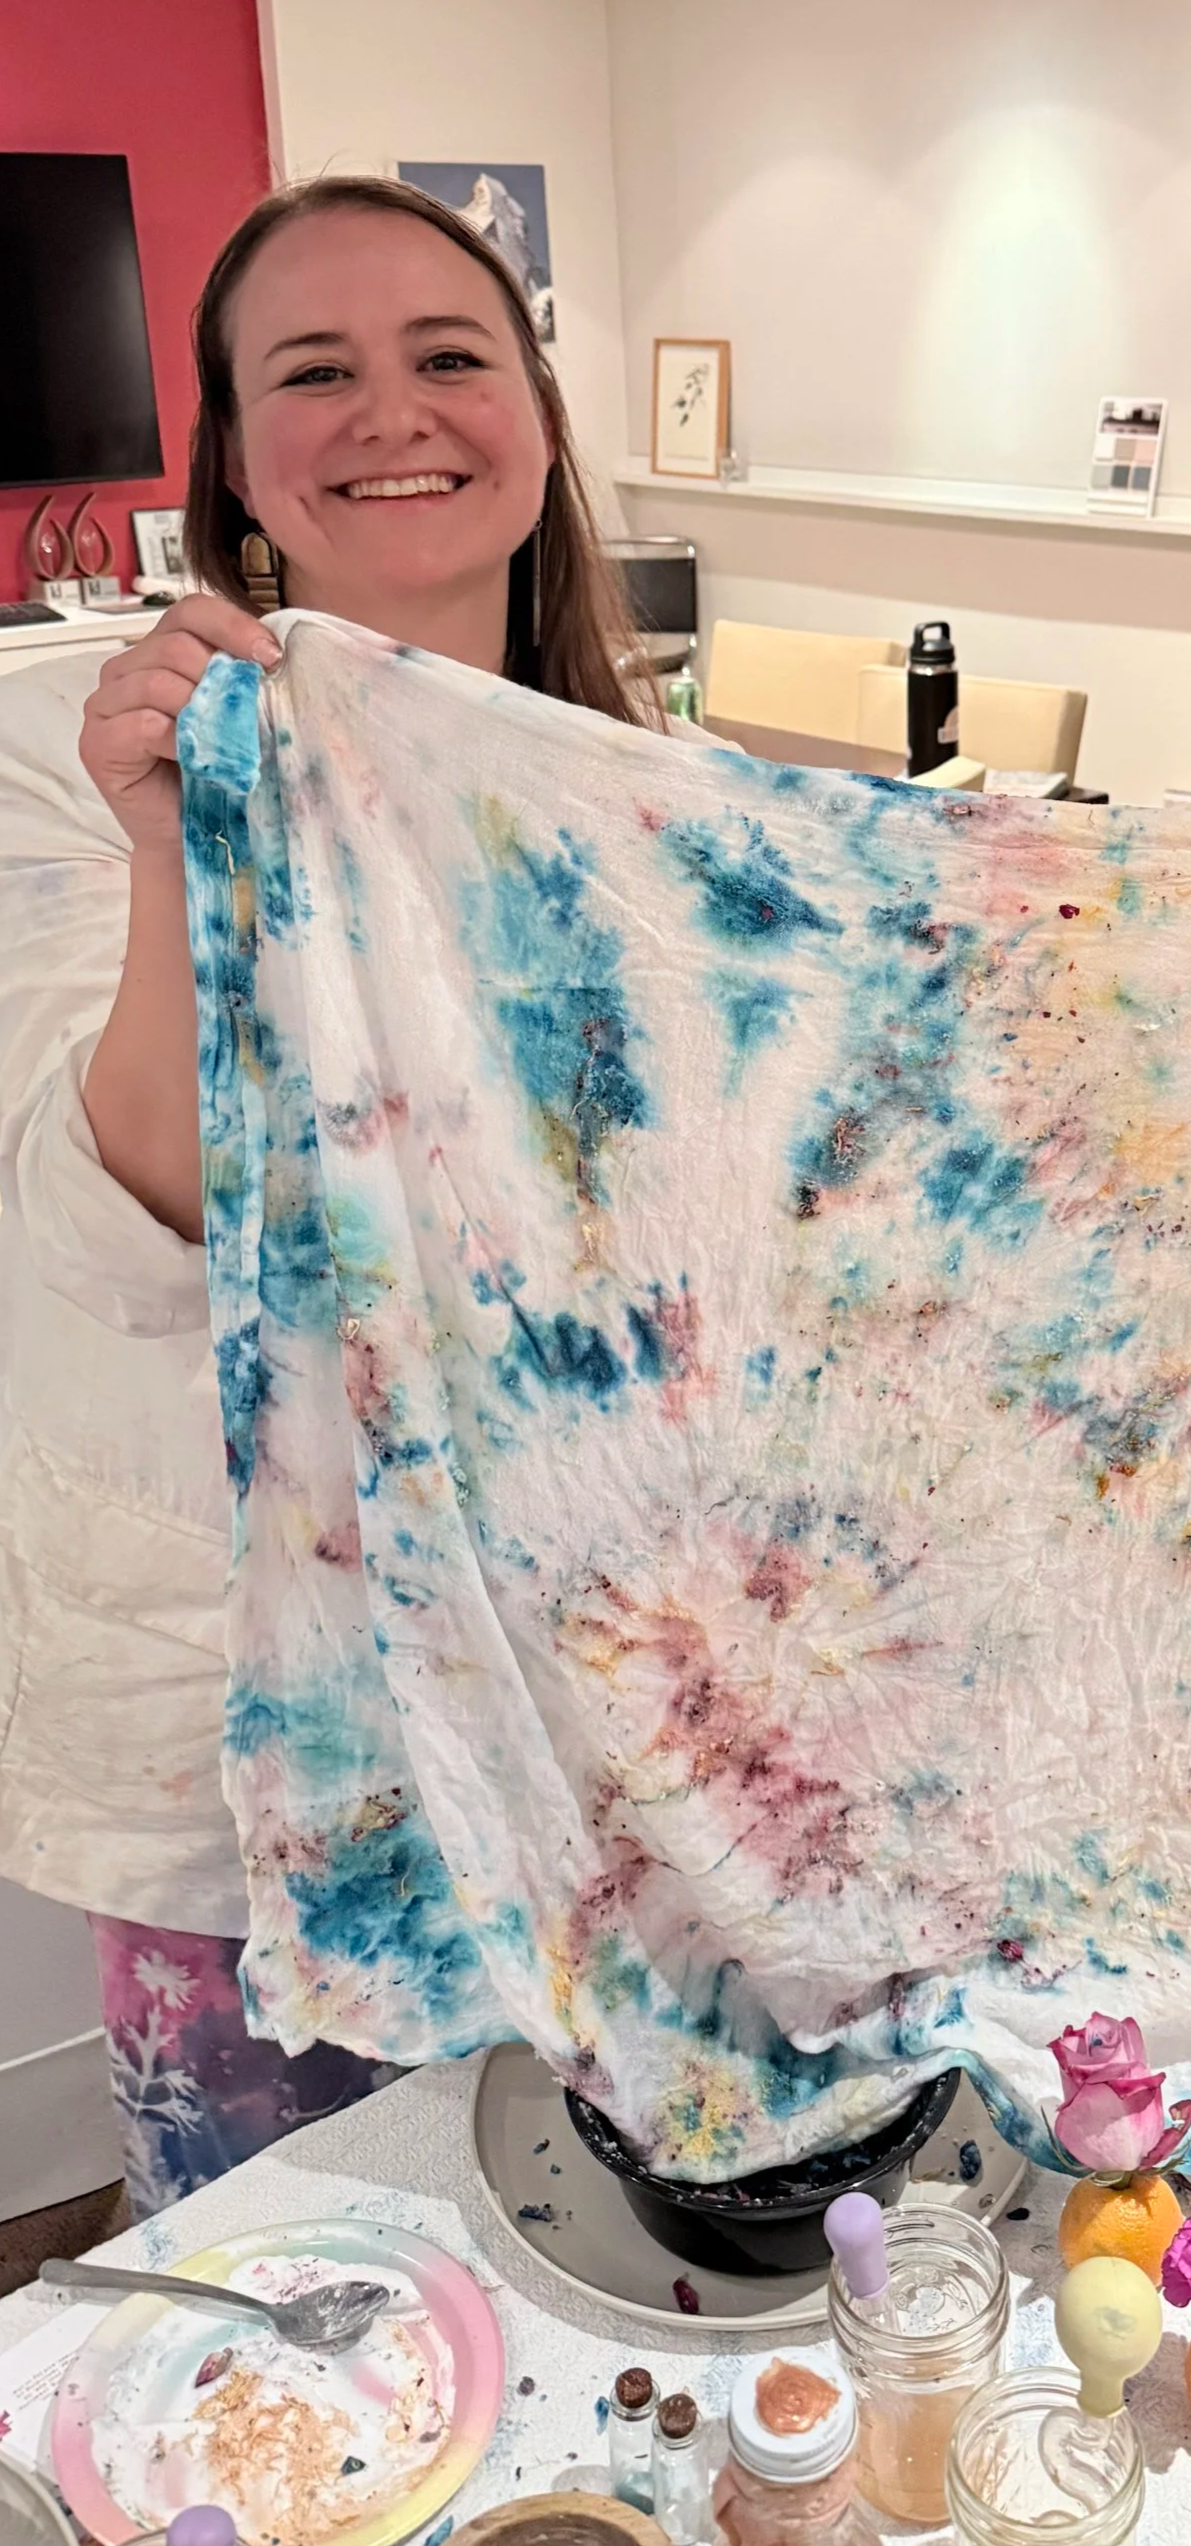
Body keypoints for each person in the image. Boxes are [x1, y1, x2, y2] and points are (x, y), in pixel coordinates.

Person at [0, 174, 658, 2212]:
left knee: (586, 2269)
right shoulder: (65, 753)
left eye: (450, 354)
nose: (393, 411)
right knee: (292, 2305)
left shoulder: (646, 789)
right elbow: (111, 1233)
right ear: (233, 461)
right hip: (252, 1755)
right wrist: (173, 858)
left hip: (596, 1725)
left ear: (535, 422)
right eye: (314, 369)